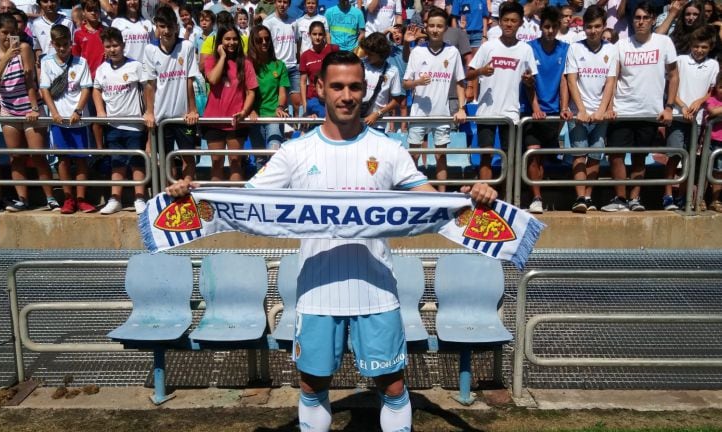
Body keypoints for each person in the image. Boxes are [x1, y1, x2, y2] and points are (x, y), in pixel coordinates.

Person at [165, 50, 498, 432]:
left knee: (391, 385)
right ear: (320, 88)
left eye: (354, 87)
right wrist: (195, 193)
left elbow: (430, 201)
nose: (346, 95)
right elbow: (245, 199)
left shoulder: (388, 150)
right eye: (337, 86)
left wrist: (470, 197)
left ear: (364, 90)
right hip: (316, 292)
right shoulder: (295, 152)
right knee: (312, 384)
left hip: (376, 290)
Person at [602, 1, 678, 212]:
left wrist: (669, 106)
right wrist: (608, 107)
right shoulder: (621, 45)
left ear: (653, 20)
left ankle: (635, 199)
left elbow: (673, 75)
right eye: (637, 18)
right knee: (616, 155)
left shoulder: (664, 43)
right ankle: (620, 199)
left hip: (650, 111)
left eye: (645, 17)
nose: (641, 21)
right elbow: (612, 78)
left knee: (639, 157)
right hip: (622, 110)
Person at [0, 12, 57, 212]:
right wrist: (7, 57)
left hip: (29, 107)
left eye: (12, 32)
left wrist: (34, 107)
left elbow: (29, 80)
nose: (8, 37)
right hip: (8, 108)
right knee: (15, 157)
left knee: (37, 156)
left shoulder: (24, 48)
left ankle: (50, 197)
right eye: (4, 32)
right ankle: (22, 199)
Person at [467, 1, 537, 185]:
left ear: (520, 23)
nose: (509, 24)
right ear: (499, 21)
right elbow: (469, 73)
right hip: (486, 111)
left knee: (510, 158)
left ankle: (508, 200)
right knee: (486, 155)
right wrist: (481, 71)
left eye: (513, 20)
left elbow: (531, 81)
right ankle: (485, 200)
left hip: (511, 112)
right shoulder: (488, 46)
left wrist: (529, 81)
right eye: (505, 20)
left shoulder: (526, 49)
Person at [402, 7, 467, 192]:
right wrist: (417, 82)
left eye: (439, 26)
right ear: (426, 27)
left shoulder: (453, 52)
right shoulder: (417, 52)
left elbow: (461, 82)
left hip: (442, 114)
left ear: (445, 28)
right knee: (413, 155)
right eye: (431, 26)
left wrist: (461, 107)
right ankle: (412, 195)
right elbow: (405, 83)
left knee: (441, 156)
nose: (435, 29)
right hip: (418, 114)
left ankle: (442, 196)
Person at [565, 5, 617, 214]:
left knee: (595, 156)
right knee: (579, 155)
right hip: (579, 114)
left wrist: (602, 111)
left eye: (597, 26)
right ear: (583, 27)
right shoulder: (575, 48)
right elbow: (571, 80)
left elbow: (610, 82)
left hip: (600, 114)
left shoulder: (611, 50)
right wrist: (582, 110)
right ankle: (579, 198)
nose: (593, 31)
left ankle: (588, 196)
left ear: (604, 26)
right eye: (589, 27)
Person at [39, 24, 95, 214]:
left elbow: (86, 88)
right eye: (58, 45)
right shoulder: (46, 62)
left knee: (81, 159)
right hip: (59, 121)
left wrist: (78, 110)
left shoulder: (81, 62)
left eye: (65, 44)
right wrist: (54, 113)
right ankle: (68, 199)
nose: (62, 48)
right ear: (53, 44)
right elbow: (44, 90)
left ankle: (81, 198)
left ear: (71, 43)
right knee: (62, 159)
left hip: (78, 119)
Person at [93, 27, 148, 215]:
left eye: (115, 45)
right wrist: (100, 110)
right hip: (113, 125)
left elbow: (147, 89)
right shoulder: (102, 70)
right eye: (108, 46)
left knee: (136, 162)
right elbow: (96, 90)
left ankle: (140, 197)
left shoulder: (135, 66)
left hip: (134, 124)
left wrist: (148, 112)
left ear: (123, 45)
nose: (112, 49)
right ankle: (115, 198)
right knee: (116, 162)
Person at [521, 6, 571, 214]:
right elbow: (528, 81)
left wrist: (564, 107)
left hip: (553, 112)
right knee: (533, 153)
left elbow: (564, 80)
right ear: (540, 27)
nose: (550, 31)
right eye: (546, 27)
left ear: (559, 27)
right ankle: (537, 198)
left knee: (542, 157)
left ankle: (540, 194)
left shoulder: (565, 49)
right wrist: (536, 108)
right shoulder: (529, 48)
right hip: (532, 110)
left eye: (553, 27)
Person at [143, 5, 201, 183]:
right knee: (167, 160)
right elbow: (150, 85)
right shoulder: (150, 50)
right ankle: (171, 199)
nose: (166, 31)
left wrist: (192, 109)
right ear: (157, 27)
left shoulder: (187, 47)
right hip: (162, 117)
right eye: (162, 26)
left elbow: (189, 80)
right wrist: (150, 112)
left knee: (187, 157)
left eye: (169, 26)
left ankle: (188, 196)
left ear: (176, 27)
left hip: (183, 116)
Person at [663, 26, 718, 211]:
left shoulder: (713, 65)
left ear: (709, 47)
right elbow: (671, 87)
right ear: (691, 45)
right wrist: (683, 105)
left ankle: (683, 196)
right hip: (678, 116)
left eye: (704, 47)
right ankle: (668, 195)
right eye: (696, 46)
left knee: (691, 159)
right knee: (674, 156)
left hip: (699, 120)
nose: (699, 50)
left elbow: (711, 90)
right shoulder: (680, 60)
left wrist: (698, 102)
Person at [203, 24, 257, 181]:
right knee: (216, 162)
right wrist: (223, 58)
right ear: (220, 41)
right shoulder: (212, 60)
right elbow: (213, 79)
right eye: (227, 39)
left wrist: (245, 111)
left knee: (235, 161)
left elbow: (251, 91)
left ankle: (236, 202)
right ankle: (216, 202)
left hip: (236, 121)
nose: (231, 42)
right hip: (213, 121)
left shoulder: (246, 63)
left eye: (234, 39)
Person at [248, 24, 289, 170]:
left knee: (274, 154)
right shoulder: (248, 66)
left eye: (267, 39)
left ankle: (275, 190)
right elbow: (245, 92)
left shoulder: (279, 65)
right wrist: (250, 110)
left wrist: (280, 106)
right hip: (255, 117)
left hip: (273, 117)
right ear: (253, 43)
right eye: (259, 40)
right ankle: (261, 191)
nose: (264, 42)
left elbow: (282, 91)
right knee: (260, 158)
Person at [73, 0, 106, 153]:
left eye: (96, 10)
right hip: (89, 82)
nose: (94, 13)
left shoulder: (105, 31)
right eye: (90, 10)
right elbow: (75, 59)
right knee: (95, 118)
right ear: (84, 12)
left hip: (106, 80)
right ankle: (99, 152)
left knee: (107, 116)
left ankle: (110, 149)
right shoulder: (78, 34)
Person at [263, 0, 300, 116]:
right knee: (280, 103)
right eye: (279, 1)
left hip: (292, 67)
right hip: (277, 67)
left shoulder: (293, 22)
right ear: (275, 3)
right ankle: (283, 130)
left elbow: (298, 42)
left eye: (285, 2)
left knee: (298, 103)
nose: (282, 5)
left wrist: (297, 59)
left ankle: (298, 130)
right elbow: (265, 45)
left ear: (289, 4)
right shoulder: (268, 22)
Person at [359, 32, 402, 132]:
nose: (366, 55)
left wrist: (378, 113)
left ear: (381, 54)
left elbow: (396, 101)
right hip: (357, 121)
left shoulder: (392, 71)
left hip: (378, 124)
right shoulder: (359, 64)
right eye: (366, 52)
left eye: (370, 54)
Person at [299, 20, 338, 117]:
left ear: (325, 35)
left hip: (331, 98)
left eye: (320, 34)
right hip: (313, 100)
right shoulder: (305, 56)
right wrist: (305, 105)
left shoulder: (333, 49)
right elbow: (303, 82)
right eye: (314, 34)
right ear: (309, 35)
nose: (317, 37)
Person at [704, 72, 722, 212]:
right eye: (721, 87)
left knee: (718, 172)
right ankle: (699, 199)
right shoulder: (711, 100)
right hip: (711, 141)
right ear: (716, 87)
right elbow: (713, 111)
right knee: (704, 171)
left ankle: (715, 200)